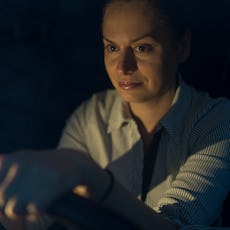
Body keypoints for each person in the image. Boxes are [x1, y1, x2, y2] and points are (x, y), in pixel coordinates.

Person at [0, 0, 230, 229]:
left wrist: (89, 175)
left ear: (182, 46)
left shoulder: (217, 121)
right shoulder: (92, 115)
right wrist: (22, 219)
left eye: (142, 48)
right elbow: (60, 211)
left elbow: (176, 224)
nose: (123, 67)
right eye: (112, 48)